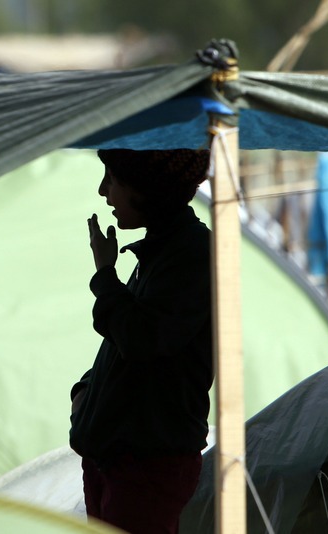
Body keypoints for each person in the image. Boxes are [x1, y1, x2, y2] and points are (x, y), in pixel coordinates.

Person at [70, 148, 214, 534]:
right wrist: (84, 393)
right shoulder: (163, 250)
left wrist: (105, 276)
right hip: (115, 462)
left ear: (148, 190)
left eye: (113, 180)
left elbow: (142, 339)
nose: (104, 192)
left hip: (145, 468)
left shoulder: (193, 255)